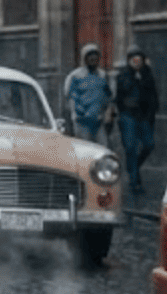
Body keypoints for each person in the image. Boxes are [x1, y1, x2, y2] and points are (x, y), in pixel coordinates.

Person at [113, 47, 159, 195]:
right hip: (128, 116)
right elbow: (120, 94)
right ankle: (135, 182)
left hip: (144, 116)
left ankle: (133, 167)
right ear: (129, 61)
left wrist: (152, 113)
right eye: (134, 61)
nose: (137, 63)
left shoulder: (147, 75)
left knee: (149, 144)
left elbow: (153, 95)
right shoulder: (123, 75)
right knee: (131, 148)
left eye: (139, 61)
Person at [62, 44, 114, 144]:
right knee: (85, 150)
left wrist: (108, 113)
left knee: (102, 148)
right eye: (90, 55)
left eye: (95, 55)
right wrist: (79, 113)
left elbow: (108, 96)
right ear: (84, 58)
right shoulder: (75, 76)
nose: (93, 58)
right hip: (82, 122)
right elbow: (70, 96)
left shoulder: (103, 75)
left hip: (99, 122)